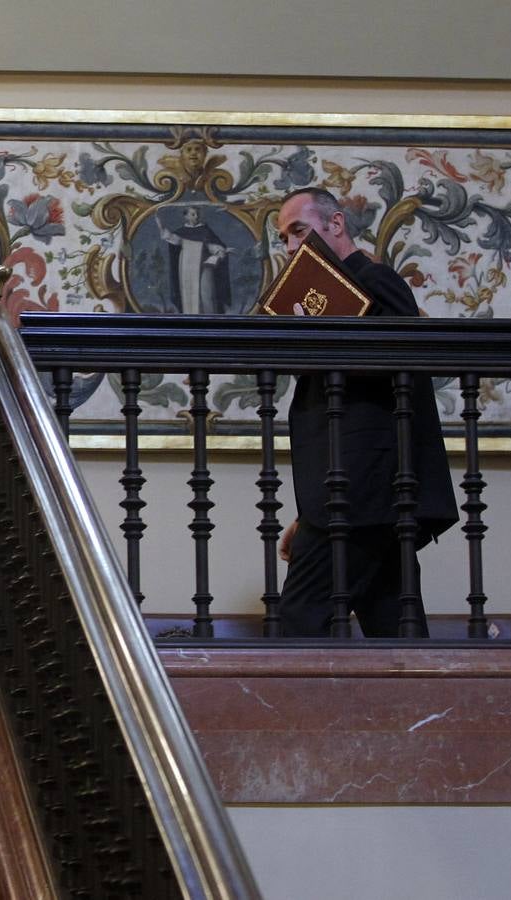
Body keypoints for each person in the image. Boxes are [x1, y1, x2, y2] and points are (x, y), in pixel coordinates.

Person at [274, 187, 458, 637]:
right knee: (397, 633)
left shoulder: (375, 281)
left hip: (359, 499)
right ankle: (414, 709)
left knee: (298, 627)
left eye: (298, 230)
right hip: (360, 497)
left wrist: (326, 504)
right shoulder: (323, 297)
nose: (291, 246)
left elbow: (403, 369)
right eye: (283, 238)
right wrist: (309, 510)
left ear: (335, 224)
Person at [158, 206, 232, 314]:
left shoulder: (205, 230)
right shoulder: (181, 232)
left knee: (207, 294)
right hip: (187, 267)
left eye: (197, 214)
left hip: (205, 265)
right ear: (186, 216)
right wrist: (160, 225)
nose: (196, 216)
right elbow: (171, 238)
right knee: (189, 294)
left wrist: (220, 251)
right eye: (193, 214)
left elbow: (212, 245)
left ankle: (210, 321)